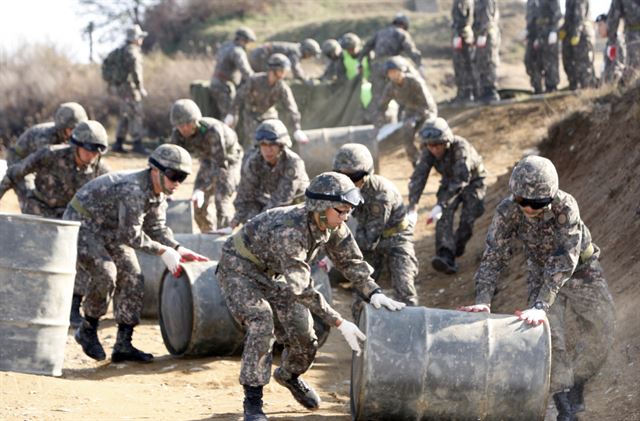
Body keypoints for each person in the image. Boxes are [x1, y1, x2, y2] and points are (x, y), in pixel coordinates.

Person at [216, 171, 406, 421]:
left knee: (305, 338)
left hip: (274, 273)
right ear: (321, 207)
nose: (346, 216)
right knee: (262, 322)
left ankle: (289, 375)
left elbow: (350, 260)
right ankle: (253, 402)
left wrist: (374, 291)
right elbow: (302, 289)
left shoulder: (333, 224)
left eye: (349, 210)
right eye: (341, 210)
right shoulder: (290, 231)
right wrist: (339, 322)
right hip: (239, 269)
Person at [459, 155, 615, 421]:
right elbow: (494, 256)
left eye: (538, 204)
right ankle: (565, 405)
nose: (529, 209)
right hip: (541, 274)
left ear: (550, 197)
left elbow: (566, 259)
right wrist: (484, 299)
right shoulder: (507, 211)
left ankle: (577, 381)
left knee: (604, 329)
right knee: (549, 340)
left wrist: (541, 304)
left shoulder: (566, 206)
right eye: (523, 202)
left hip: (581, 270)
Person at [65, 144, 208, 363]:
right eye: (173, 175)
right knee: (106, 272)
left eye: (182, 177)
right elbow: (131, 236)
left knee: (133, 275)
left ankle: (123, 344)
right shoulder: (133, 189)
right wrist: (162, 250)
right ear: (155, 170)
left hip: (111, 228)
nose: (177, 183)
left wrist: (178, 248)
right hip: (82, 223)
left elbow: (156, 228)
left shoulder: (160, 192)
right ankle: (88, 328)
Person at [1, 121, 111, 328]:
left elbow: (112, 193)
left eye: (97, 152)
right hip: (41, 209)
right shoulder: (49, 155)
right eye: (88, 150)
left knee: (80, 252)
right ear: (76, 145)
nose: (91, 156)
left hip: (70, 216)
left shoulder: (100, 168)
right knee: (35, 254)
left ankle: (72, 306)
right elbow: (15, 172)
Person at [333, 143, 419, 319]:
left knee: (405, 290)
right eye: (343, 176)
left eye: (354, 176)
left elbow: (369, 239)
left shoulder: (381, 193)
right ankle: (362, 334)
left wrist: (341, 254)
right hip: (368, 238)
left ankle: (411, 332)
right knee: (361, 292)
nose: (349, 181)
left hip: (396, 238)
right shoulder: (345, 190)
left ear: (366, 173)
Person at [407, 117, 486, 274]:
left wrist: (441, 203)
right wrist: (412, 206)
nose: (434, 149)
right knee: (443, 216)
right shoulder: (428, 151)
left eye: (438, 145)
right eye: (430, 145)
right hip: (449, 181)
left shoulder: (460, 148)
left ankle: (456, 248)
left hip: (473, 182)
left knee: (467, 221)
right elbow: (419, 176)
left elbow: (462, 178)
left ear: (446, 141)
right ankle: (445, 255)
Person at [169, 99, 243, 232]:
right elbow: (172, 162)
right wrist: (168, 188)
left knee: (222, 200)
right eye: (180, 125)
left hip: (229, 160)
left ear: (195, 121)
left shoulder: (212, 131)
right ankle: (208, 236)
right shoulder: (177, 135)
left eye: (187, 123)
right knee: (198, 205)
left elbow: (220, 165)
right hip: (207, 160)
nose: (184, 128)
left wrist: (201, 189)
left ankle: (225, 240)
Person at [6, 102, 88, 208]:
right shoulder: (44, 138)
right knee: (29, 194)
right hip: (19, 161)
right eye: (71, 129)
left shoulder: (75, 138)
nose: (75, 133)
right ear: (62, 128)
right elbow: (39, 165)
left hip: (34, 163)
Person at [231, 119, 309, 228]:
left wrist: (258, 222)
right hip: (271, 203)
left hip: (297, 206)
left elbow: (282, 200)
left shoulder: (293, 163)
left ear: (281, 145)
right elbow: (245, 195)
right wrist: (238, 219)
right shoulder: (254, 162)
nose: (268, 150)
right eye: (263, 144)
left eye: (272, 144)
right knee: (250, 216)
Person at [224, 53, 308, 150]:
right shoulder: (254, 80)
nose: (284, 74)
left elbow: (292, 108)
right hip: (252, 115)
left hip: (269, 115)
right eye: (282, 71)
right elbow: (239, 97)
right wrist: (231, 114)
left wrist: (297, 129)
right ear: (273, 70)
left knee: (277, 138)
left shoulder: (281, 86)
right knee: (256, 143)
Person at [376, 56, 438, 167]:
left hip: (426, 110)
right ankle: (416, 161)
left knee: (425, 134)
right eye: (390, 73)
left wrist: (422, 119)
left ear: (402, 70)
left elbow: (427, 103)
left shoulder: (415, 82)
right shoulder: (391, 87)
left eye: (395, 72)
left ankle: (431, 158)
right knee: (406, 131)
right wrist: (379, 119)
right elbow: (382, 106)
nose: (393, 75)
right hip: (411, 111)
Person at [358, 14, 423, 116]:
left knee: (377, 97)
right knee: (400, 93)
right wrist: (419, 65)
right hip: (393, 67)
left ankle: (376, 120)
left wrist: (359, 62)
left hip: (377, 68)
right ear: (404, 25)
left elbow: (366, 47)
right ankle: (398, 118)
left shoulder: (380, 33)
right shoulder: (402, 33)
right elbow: (411, 51)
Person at [107, 24, 148, 154]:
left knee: (124, 115)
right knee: (136, 114)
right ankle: (137, 143)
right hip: (131, 88)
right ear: (135, 38)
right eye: (140, 37)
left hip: (121, 88)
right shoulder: (132, 52)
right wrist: (140, 87)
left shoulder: (120, 51)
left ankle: (118, 142)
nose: (141, 40)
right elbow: (136, 71)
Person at [210, 27, 256, 118]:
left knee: (223, 114)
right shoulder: (237, 51)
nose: (247, 45)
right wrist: (258, 80)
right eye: (247, 42)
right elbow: (246, 72)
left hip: (215, 83)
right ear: (243, 40)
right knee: (230, 116)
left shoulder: (225, 45)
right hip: (224, 87)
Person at [560, 0, 596, 90]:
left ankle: (587, 90)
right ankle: (574, 87)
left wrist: (576, 33)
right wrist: (563, 29)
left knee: (584, 66)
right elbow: (568, 18)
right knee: (568, 63)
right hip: (570, 33)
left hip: (582, 35)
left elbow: (579, 17)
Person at [248, 39, 321, 82]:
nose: (309, 57)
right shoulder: (296, 51)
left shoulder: (295, 48)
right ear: (307, 51)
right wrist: (305, 79)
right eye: (311, 55)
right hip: (260, 56)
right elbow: (295, 68)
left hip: (258, 54)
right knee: (265, 80)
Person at [473, 0, 501, 102]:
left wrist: (483, 34)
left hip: (487, 35)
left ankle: (491, 91)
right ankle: (484, 90)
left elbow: (487, 18)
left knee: (488, 61)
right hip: (481, 34)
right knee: (481, 62)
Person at [606, 0, 640, 83]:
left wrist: (611, 40)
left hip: (633, 38)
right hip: (633, 36)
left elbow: (613, 18)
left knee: (633, 70)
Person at [451, 0, 477, 102]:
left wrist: (458, 34)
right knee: (463, 65)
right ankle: (465, 92)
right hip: (463, 35)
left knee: (463, 65)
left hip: (462, 35)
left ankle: (467, 93)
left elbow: (462, 20)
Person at [535, 0, 562, 92]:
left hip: (550, 34)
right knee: (544, 61)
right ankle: (547, 86)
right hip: (542, 35)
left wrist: (554, 31)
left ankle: (552, 86)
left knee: (551, 61)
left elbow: (557, 15)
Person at [595, 13, 626, 85]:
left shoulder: (616, 40)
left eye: (600, 25)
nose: (598, 29)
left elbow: (618, 67)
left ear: (608, 24)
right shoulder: (610, 41)